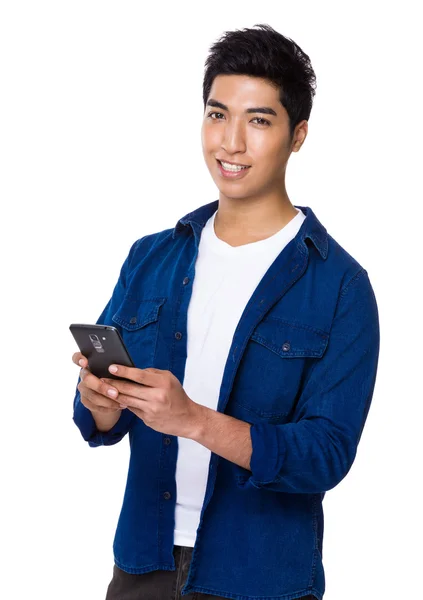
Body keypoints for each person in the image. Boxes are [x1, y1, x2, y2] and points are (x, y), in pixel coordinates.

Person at [72, 23, 380, 600]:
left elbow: (327, 454)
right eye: (217, 115)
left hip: (259, 578)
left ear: (298, 135)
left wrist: (195, 420)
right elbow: (100, 419)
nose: (230, 143)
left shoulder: (340, 286)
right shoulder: (152, 256)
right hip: (144, 566)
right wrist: (99, 401)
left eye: (258, 121)